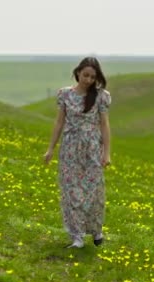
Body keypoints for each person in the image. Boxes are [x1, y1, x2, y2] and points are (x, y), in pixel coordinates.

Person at [44, 56, 111, 248]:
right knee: (70, 191)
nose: (88, 80)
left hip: (92, 148)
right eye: (85, 75)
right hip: (70, 148)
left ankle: (96, 229)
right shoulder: (64, 94)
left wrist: (107, 153)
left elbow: (105, 125)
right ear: (78, 72)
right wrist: (50, 149)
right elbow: (59, 122)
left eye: (92, 77)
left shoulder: (101, 96)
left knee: (93, 190)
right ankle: (77, 237)